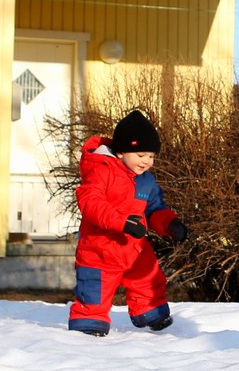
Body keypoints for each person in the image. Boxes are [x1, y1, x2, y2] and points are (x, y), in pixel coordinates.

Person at [70, 108, 190, 336]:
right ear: (121, 152)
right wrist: (122, 222)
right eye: (141, 155)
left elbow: (154, 209)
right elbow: (91, 203)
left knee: (148, 277)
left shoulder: (145, 181)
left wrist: (170, 224)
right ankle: (89, 323)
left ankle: (150, 313)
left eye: (151, 156)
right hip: (100, 247)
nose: (146, 162)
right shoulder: (101, 171)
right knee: (95, 289)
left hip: (133, 246)